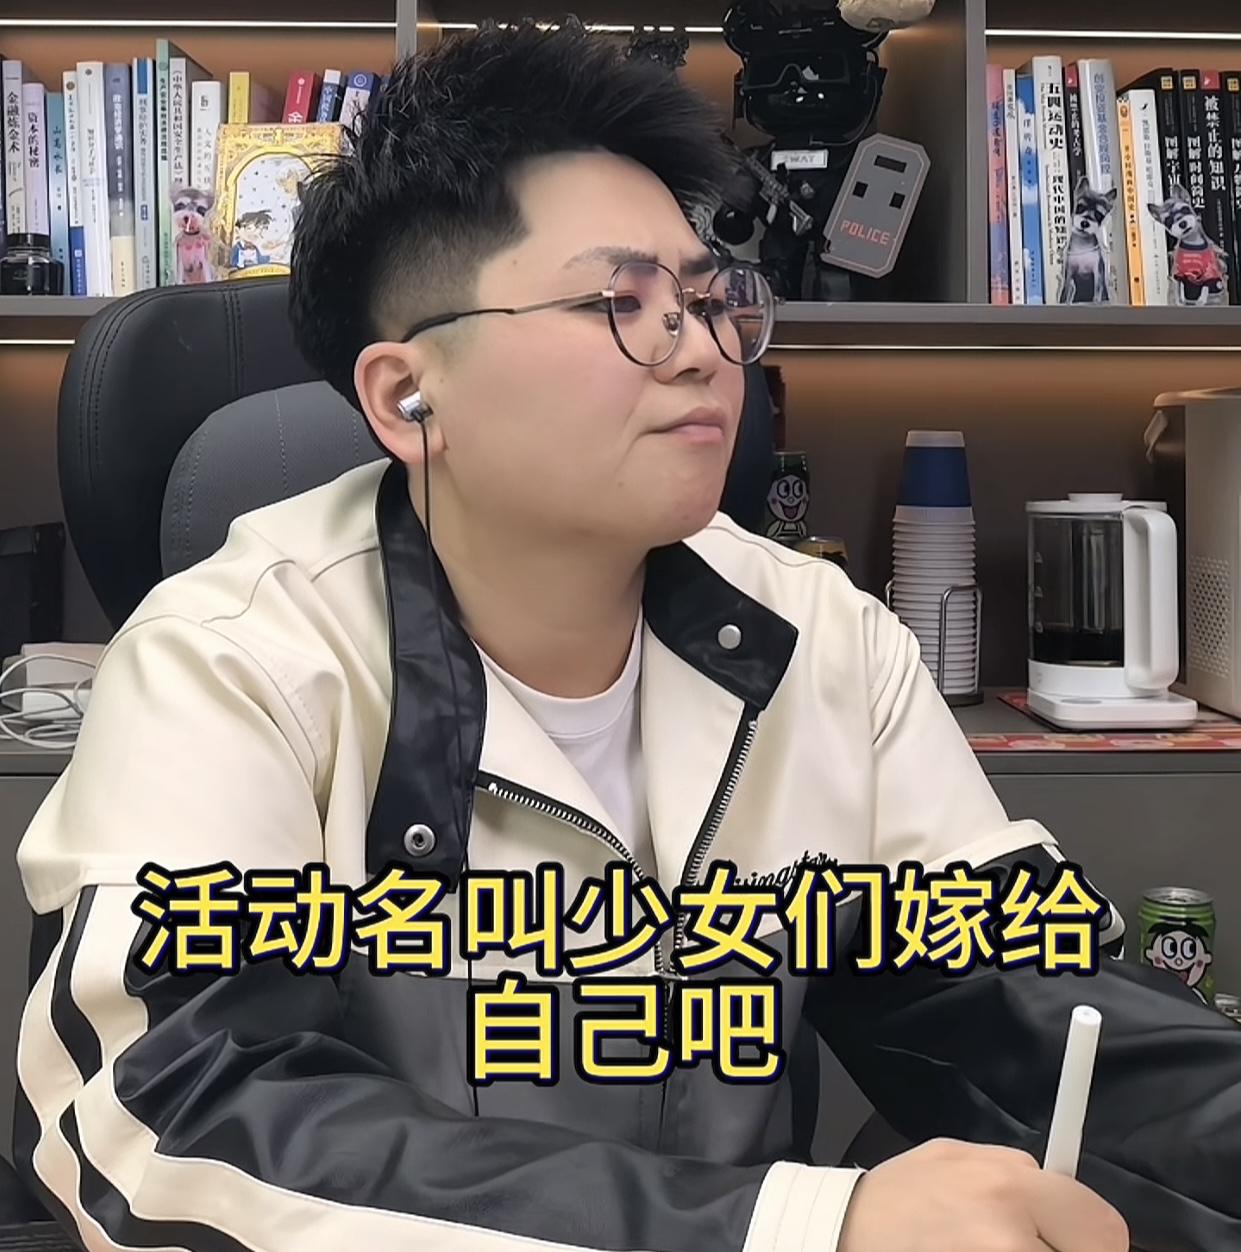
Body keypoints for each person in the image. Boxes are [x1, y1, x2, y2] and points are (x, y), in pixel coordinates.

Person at [14, 22, 1240, 1252]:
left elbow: (1018, 997)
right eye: (623, 304)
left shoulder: (821, 636)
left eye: (707, 300)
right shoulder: (229, 659)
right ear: (407, 394)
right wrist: (798, 1225)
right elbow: (166, 1116)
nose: (702, 351)